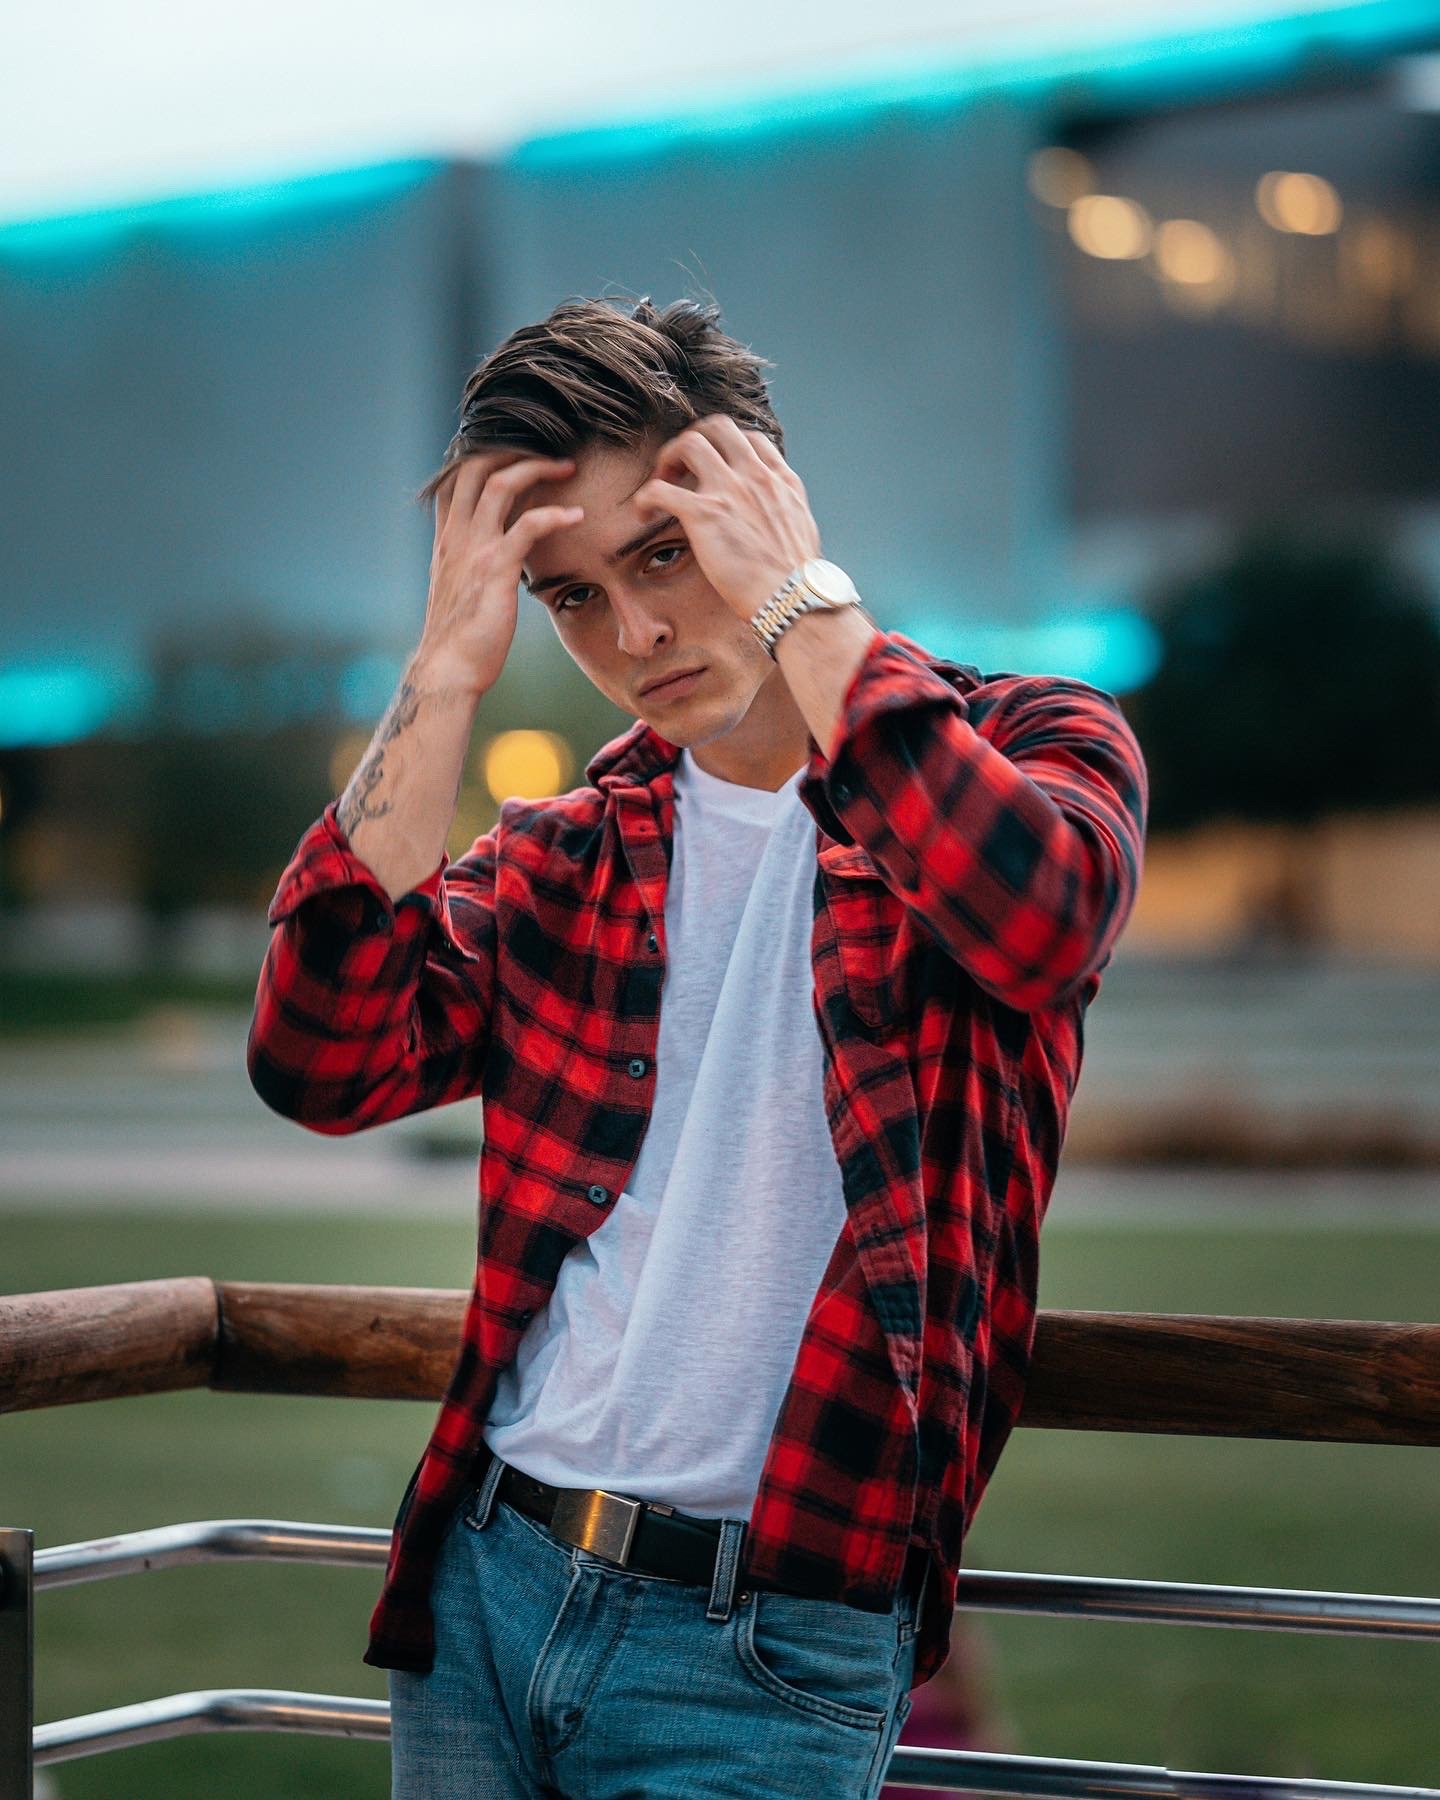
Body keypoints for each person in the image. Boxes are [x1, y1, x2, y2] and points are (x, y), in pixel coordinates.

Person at [247, 292, 1149, 1799]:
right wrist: (445, 671)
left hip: (771, 1638)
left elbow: (1038, 924)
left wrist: (802, 601)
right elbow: (323, 1058)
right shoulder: (570, 853)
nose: (636, 633)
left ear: (765, 500)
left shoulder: (1034, 742)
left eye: (663, 553)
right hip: (486, 1585)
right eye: (573, 596)